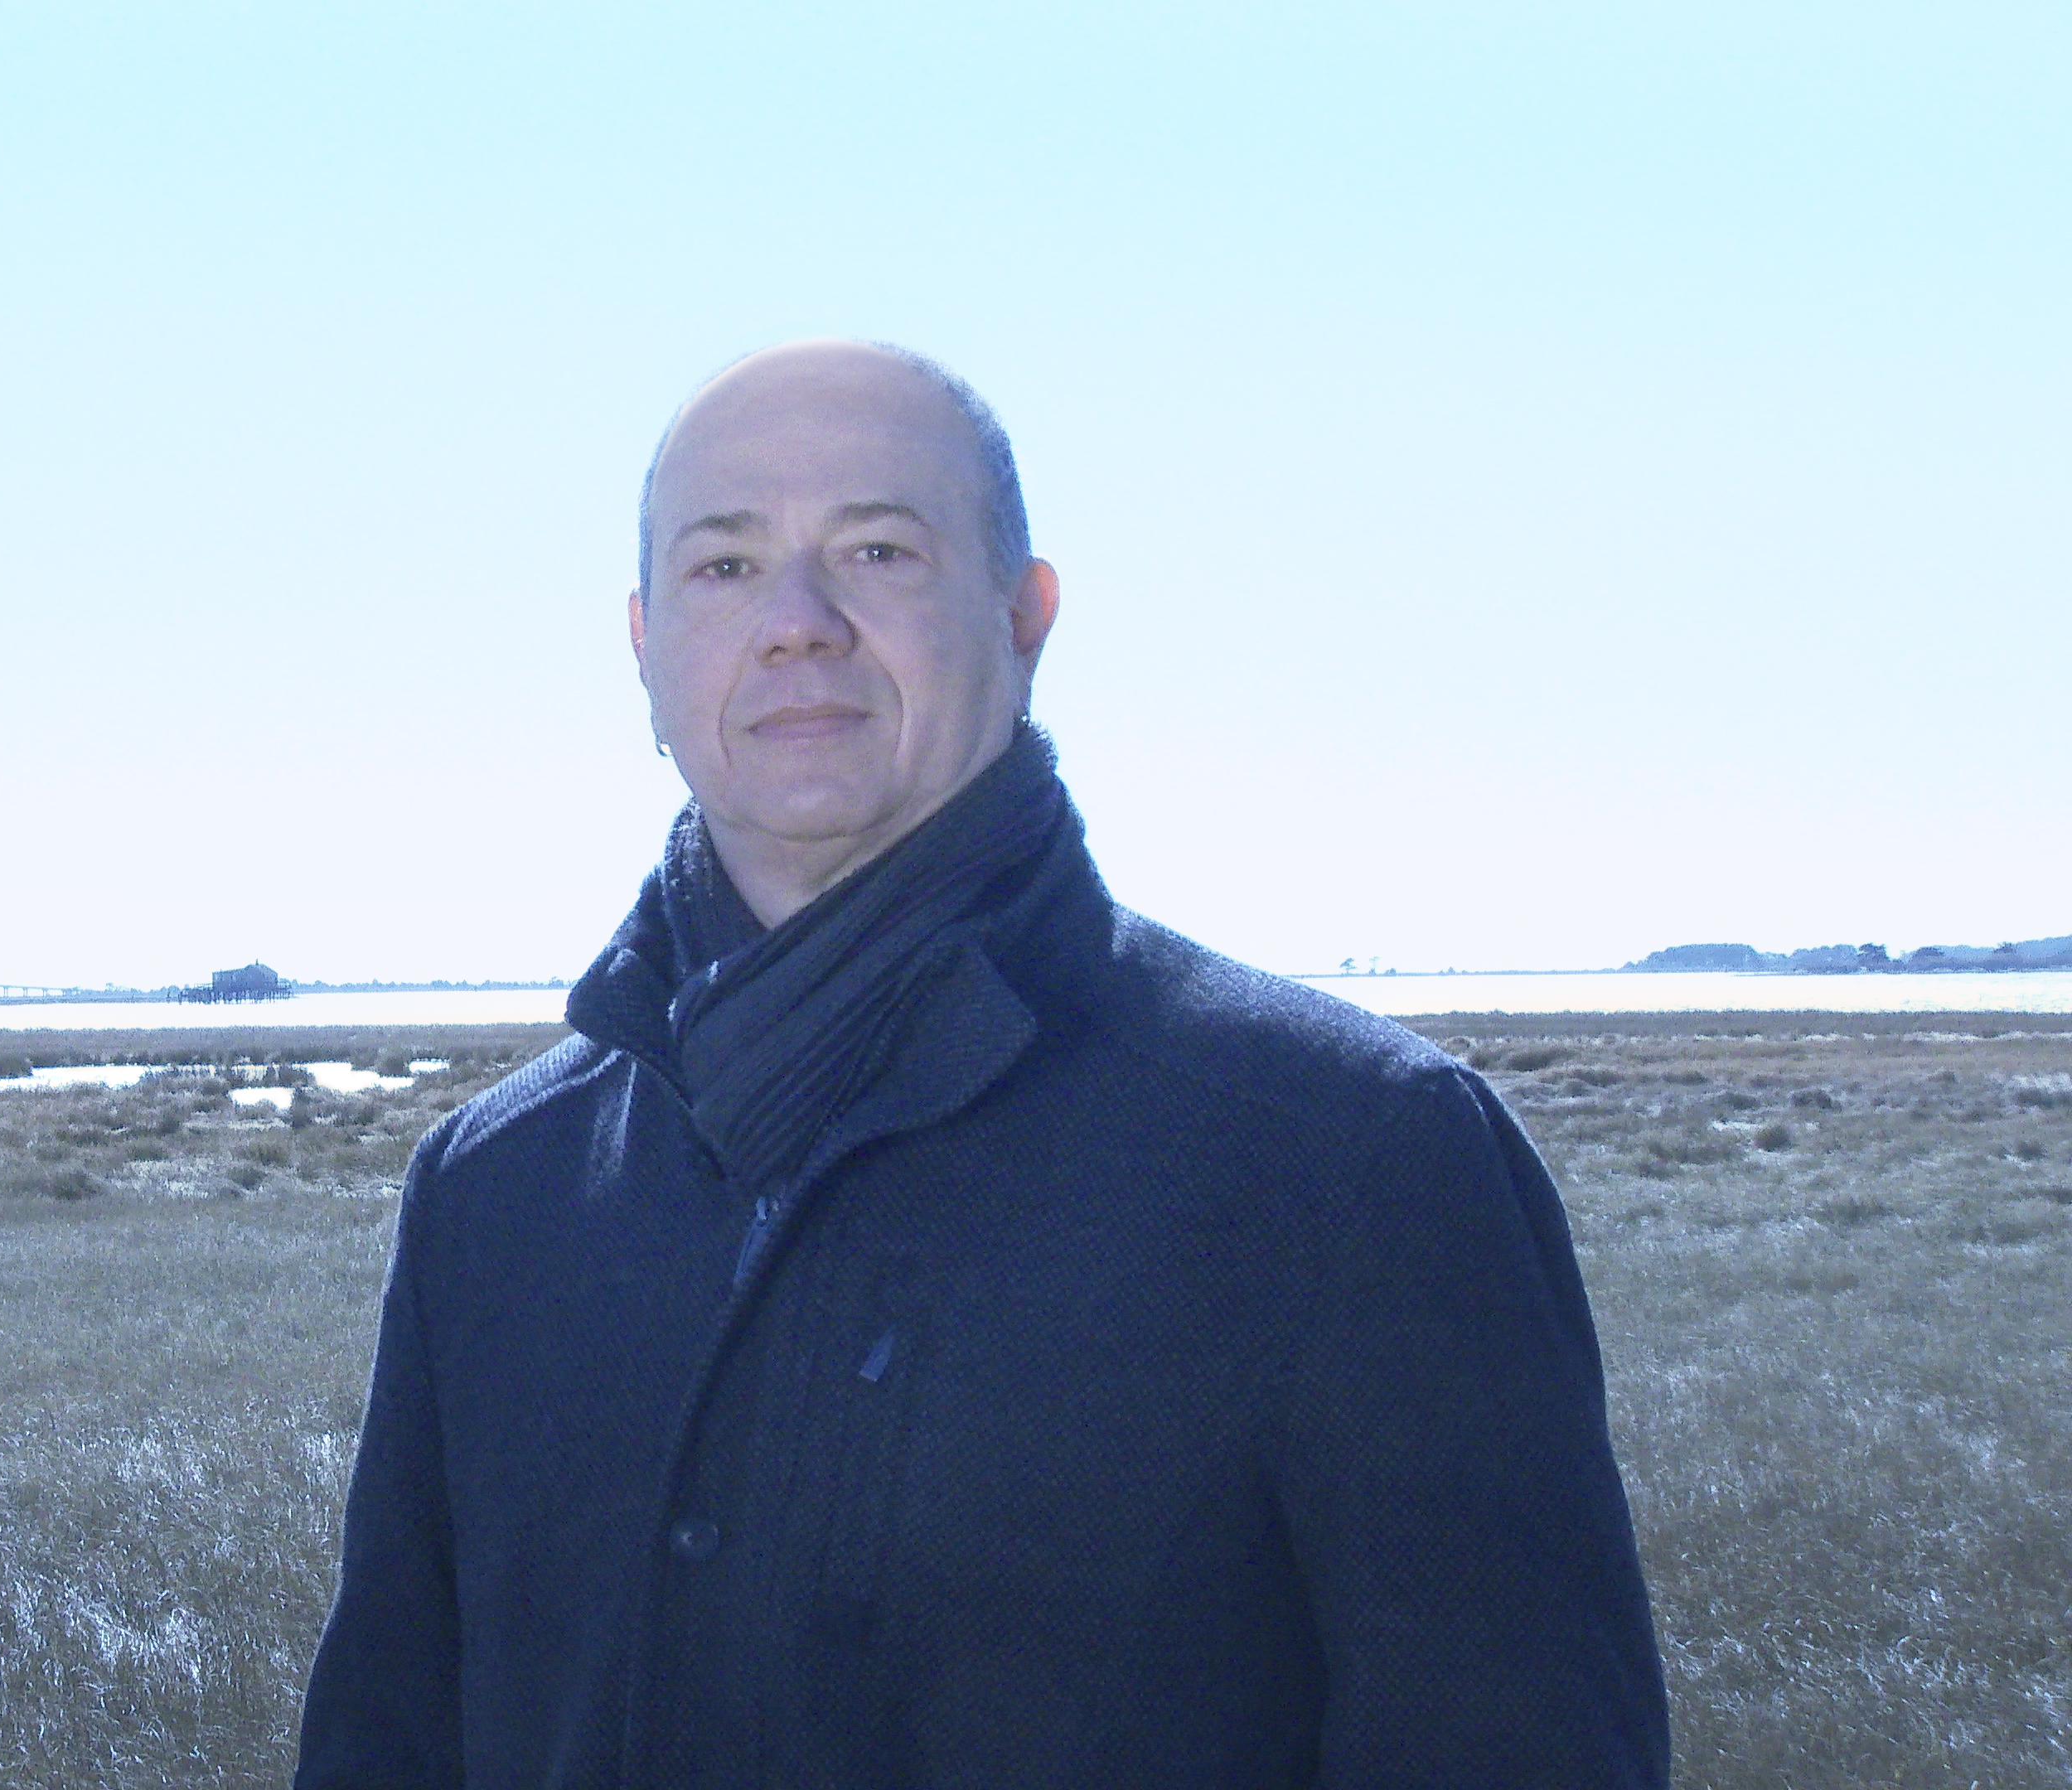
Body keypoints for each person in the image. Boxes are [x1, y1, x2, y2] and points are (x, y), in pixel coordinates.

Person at [293, 340, 1668, 1788]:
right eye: (725, 567)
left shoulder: (1355, 1162)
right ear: (643, 643)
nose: (797, 623)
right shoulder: (496, 1192)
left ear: (1026, 615)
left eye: (877, 550)